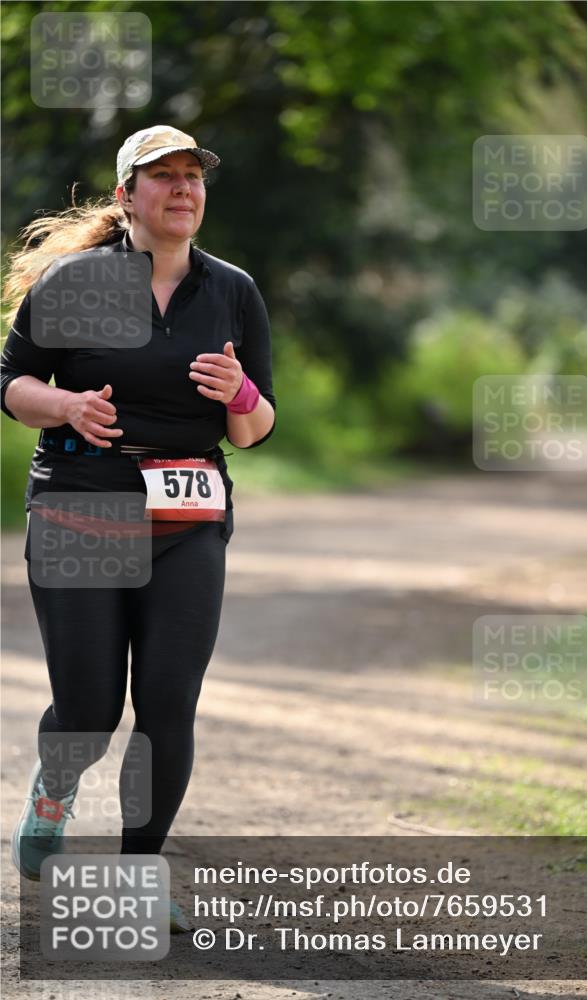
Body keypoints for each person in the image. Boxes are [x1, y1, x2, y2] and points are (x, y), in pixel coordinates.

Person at [1, 125, 276, 932]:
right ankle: (54, 793)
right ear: (126, 197)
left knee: (167, 704)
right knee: (88, 706)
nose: (183, 189)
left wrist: (239, 393)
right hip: (83, 499)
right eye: (163, 178)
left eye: (193, 176)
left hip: (188, 514)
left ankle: (139, 873)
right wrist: (66, 406)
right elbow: (10, 379)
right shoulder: (73, 280)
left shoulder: (232, 291)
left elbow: (257, 430)